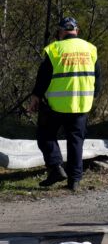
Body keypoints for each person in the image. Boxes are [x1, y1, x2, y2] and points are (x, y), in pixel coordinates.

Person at [28, 17, 100, 192]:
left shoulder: (55, 49)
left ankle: (55, 168)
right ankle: (74, 180)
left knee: (45, 135)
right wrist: (94, 96)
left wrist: (36, 96)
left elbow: (43, 76)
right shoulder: (90, 49)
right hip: (81, 105)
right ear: (77, 30)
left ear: (60, 32)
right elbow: (98, 78)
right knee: (76, 142)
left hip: (56, 106)